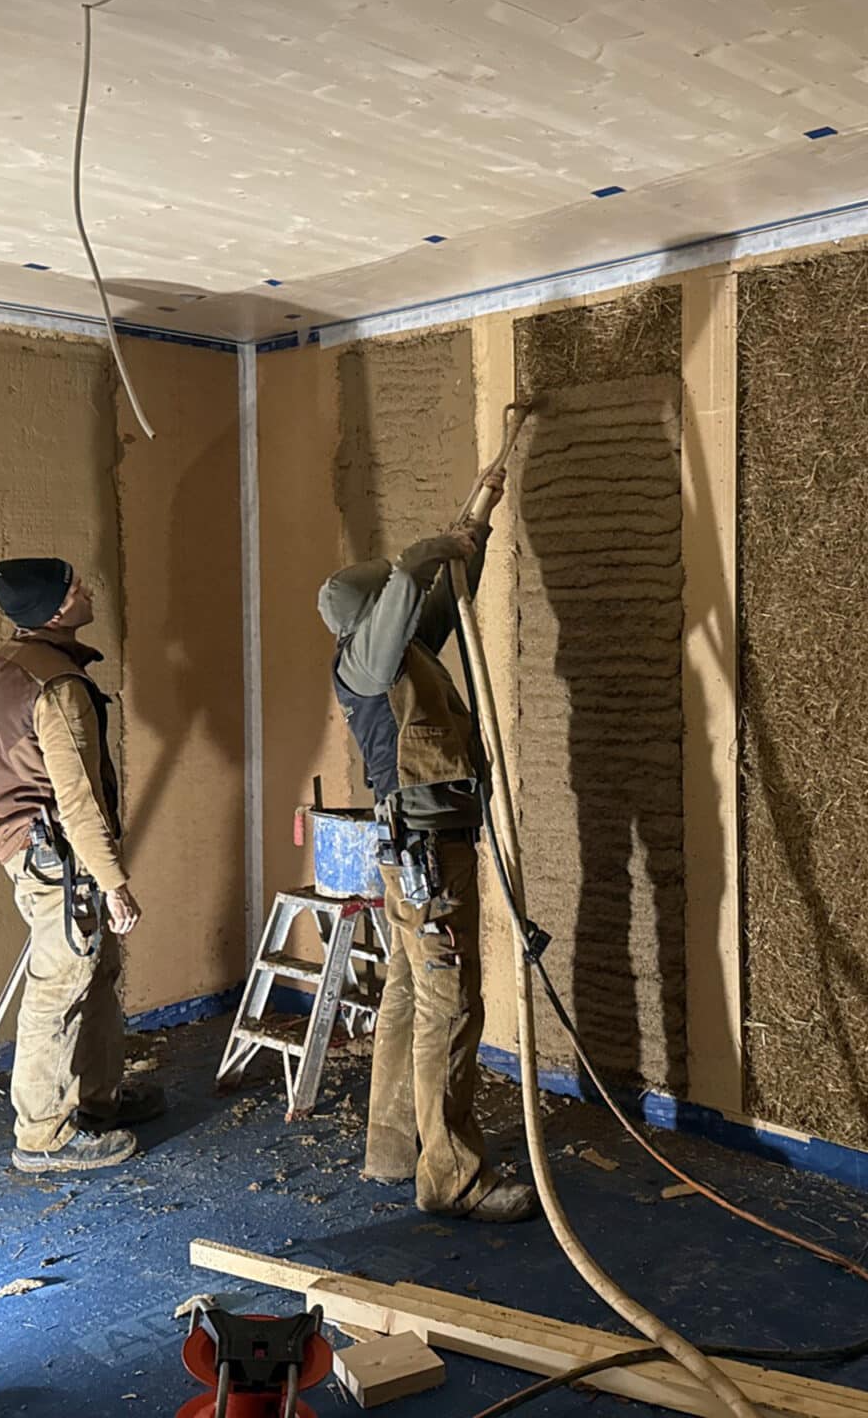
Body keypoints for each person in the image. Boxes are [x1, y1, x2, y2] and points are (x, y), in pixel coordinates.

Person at [317, 482, 539, 1224]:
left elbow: (442, 596)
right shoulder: (365, 663)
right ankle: (452, 1180)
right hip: (427, 856)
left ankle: (393, 1147)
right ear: (372, 614)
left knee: (411, 994)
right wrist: (425, 552)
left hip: (421, 849)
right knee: (451, 1006)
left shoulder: (404, 655)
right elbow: (414, 576)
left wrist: (475, 526)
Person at [0, 557, 162, 1172]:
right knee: (60, 985)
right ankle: (43, 1134)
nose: (87, 590)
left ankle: (96, 1100)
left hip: (35, 847)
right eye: (74, 587)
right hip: (57, 857)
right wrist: (115, 883)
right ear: (54, 611)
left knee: (96, 971)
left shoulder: (7, 665)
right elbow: (78, 798)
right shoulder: (57, 687)